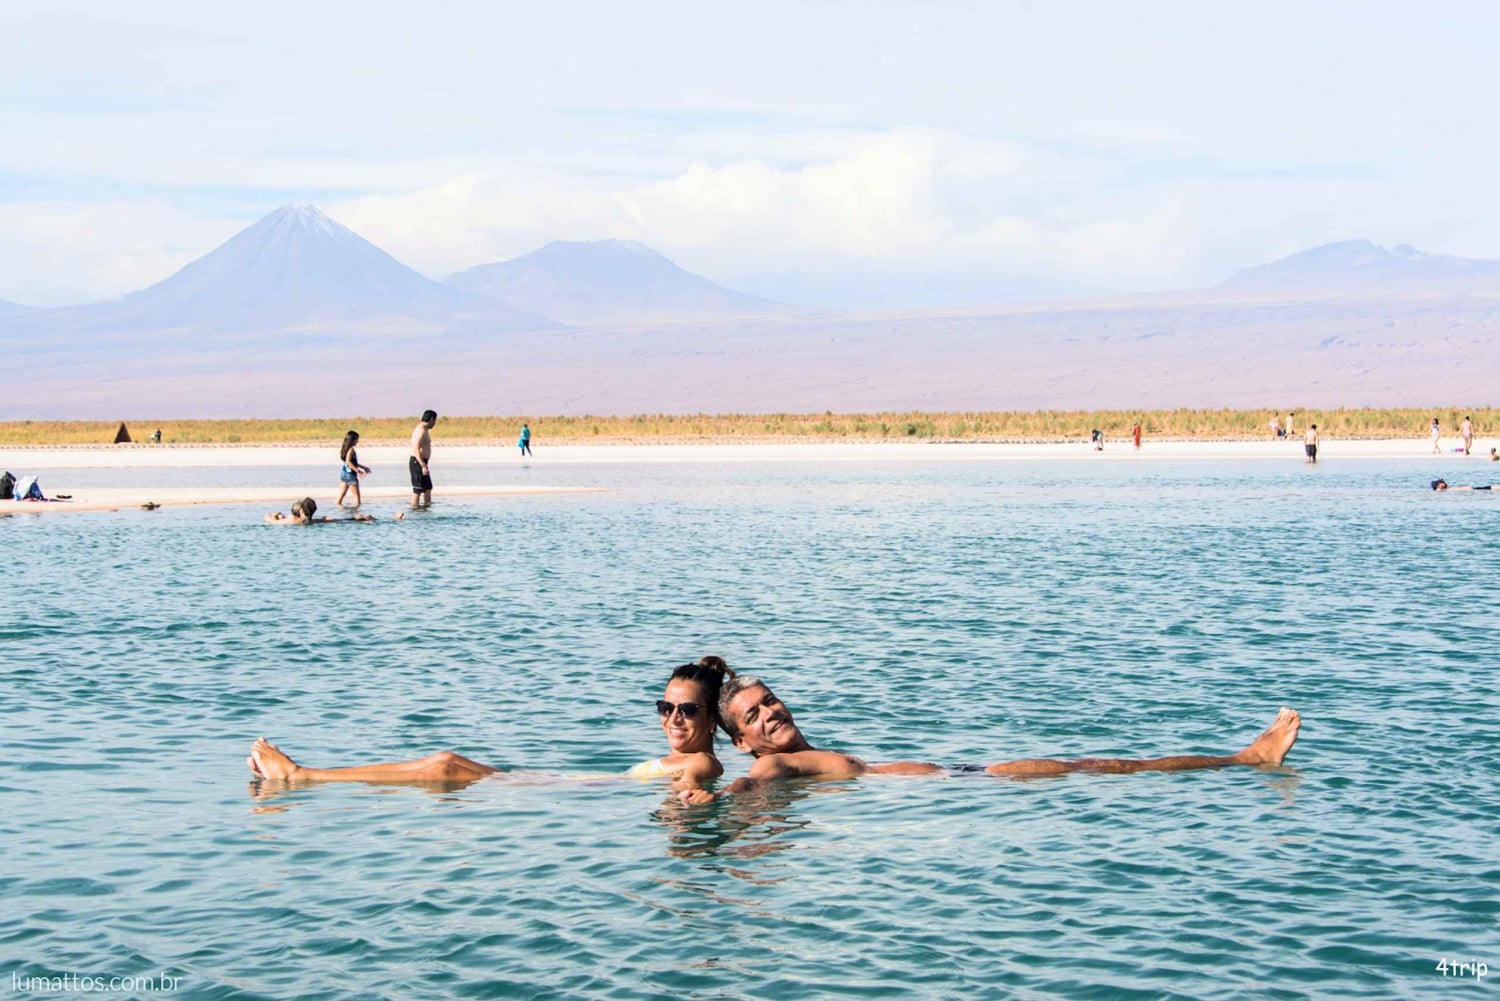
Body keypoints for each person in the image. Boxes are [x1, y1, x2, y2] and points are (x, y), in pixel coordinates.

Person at [681, 676, 1301, 802]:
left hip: (964, 777)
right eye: (754, 716)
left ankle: (1239, 758)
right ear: (744, 741)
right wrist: (711, 800)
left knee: (1098, 766)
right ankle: (1244, 758)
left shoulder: (801, 759)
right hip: (972, 785)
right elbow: (750, 785)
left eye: (770, 701)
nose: (769, 713)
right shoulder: (775, 769)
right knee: (1101, 767)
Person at [247, 658, 731, 798]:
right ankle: (303, 776)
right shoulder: (684, 756)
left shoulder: (703, 761)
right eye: (664, 708)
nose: (673, 719)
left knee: (442, 765)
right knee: (442, 765)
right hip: (561, 783)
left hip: (566, 793)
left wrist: (687, 805)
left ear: (711, 718)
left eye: (686, 711)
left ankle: (303, 777)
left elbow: (693, 784)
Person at [264, 497, 378, 524]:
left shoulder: (293, 521)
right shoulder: (311, 521)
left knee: (327, 519)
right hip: (321, 521)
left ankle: (359, 519)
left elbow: (270, 519)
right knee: (327, 519)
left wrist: (272, 516)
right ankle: (359, 518)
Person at [336, 430, 372, 507]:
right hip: (350, 475)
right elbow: (348, 461)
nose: (357, 441)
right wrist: (358, 471)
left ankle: (341, 511)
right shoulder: (351, 449)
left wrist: (363, 467)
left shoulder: (346, 448)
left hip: (344, 474)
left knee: (339, 499)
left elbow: (352, 462)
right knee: (357, 497)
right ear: (352, 440)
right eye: (356, 439)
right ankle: (356, 514)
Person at [410, 409, 437, 508]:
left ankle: (426, 511)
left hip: (423, 462)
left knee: (428, 488)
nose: (434, 424)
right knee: (417, 490)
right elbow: (415, 449)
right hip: (417, 462)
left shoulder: (424, 429)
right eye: (434, 421)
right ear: (431, 419)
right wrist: (423, 465)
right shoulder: (420, 431)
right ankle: (415, 510)